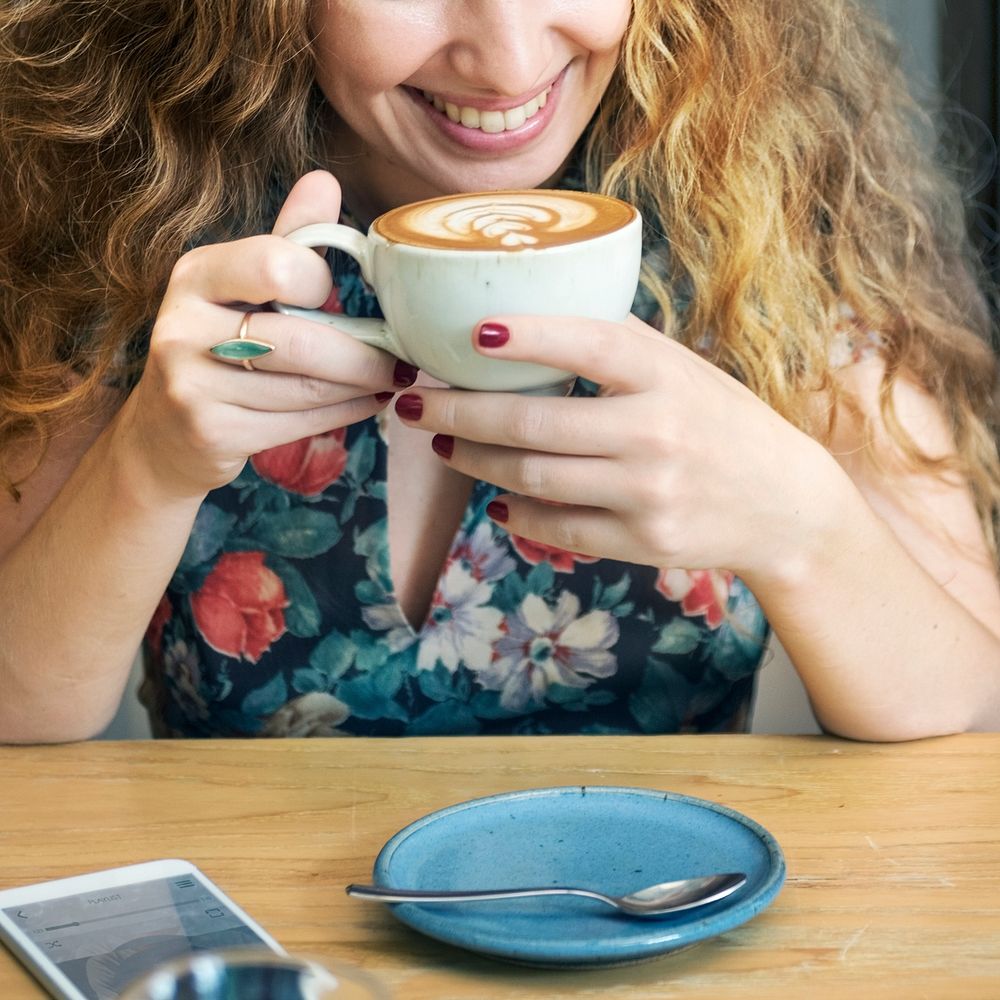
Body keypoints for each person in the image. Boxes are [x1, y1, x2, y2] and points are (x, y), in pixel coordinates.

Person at [1, 0, 998, 744]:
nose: (509, 60)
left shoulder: (765, 219)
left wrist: (805, 526)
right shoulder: (125, 232)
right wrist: (148, 464)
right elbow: (19, 718)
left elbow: (965, 702)